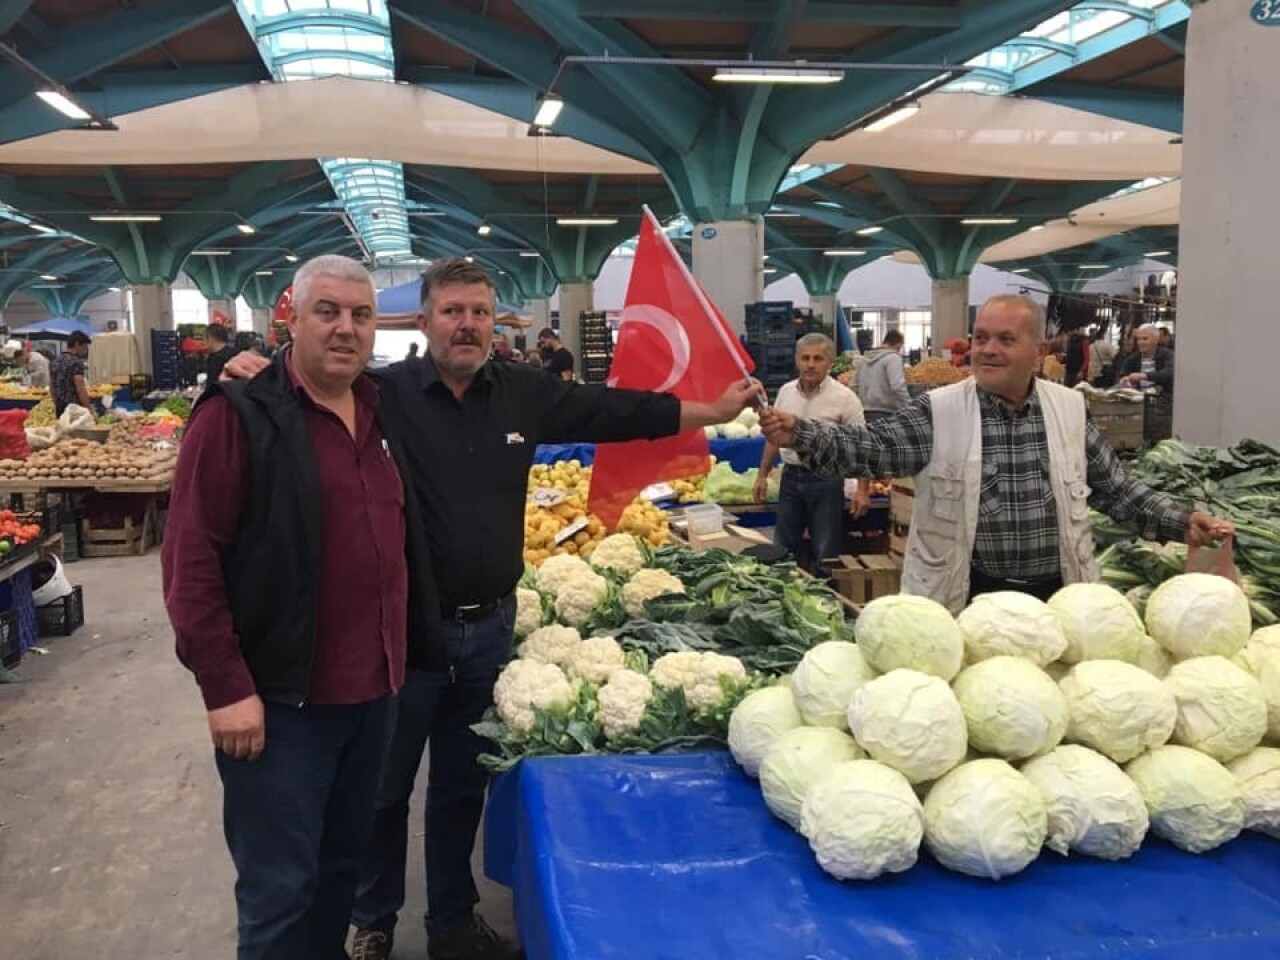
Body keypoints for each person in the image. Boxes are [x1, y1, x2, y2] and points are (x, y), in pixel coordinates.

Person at [224, 257, 758, 960]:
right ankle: (372, 919)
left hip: (491, 630)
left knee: (460, 786)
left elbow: (618, 410)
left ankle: (450, 921)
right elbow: (299, 389)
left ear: (494, 321)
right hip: (407, 636)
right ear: (425, 320)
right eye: (452, 311)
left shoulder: (522, 394)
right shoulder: (383, 394)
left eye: (479, 311)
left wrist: (714, 411)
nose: (467, 324)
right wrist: (235, 375)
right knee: (382, 793)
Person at [163, 256, 439, 960]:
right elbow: (190, 561)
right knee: (280, 892)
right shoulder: (238, 416)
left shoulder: (382, 411)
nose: (345, 328)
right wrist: (224, 687)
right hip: (281, 706)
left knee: (341, 874)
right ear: (291, 318)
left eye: (361, 315)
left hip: (373, 695)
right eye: (328, 311)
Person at [759, 295, 1233, 614]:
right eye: (982, 337)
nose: (988, 349)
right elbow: (869, 449)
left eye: (1006, 340)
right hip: (966, 597)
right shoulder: (938, 410)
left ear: (1038, 349)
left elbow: (1115, 488)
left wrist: (1178, 521)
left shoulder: (1069, 408)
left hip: (1057, 600)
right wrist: (801, 432)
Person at [754, 334, 868, 577]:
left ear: (830, 362)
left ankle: (826, 604)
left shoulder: (845, 398)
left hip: (826, 481)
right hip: (791, 479)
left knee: (825, 552)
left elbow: (861, 445)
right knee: (782, 548)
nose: (811, 364)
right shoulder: (786, 392)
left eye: (818, 358)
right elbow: (774, 437)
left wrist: (862, 489)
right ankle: (781, 599)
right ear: (796, 360)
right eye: (805, 358)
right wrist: (762, 475)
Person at [856, 329, 909, 422]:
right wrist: (909, 405)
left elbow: (854, 385)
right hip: (886, 413)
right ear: (898, 345)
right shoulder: (893, 358)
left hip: (863, 412)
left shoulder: (864, 359)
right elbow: (897, 386)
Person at [1121, 323, 1175, 393]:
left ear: (1156, 340)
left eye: (1145, 339)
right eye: (1138, 339)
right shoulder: (1131, 359)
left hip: (1163, 399)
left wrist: (1144, 376)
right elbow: (1125, 379)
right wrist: (1126, 382)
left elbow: (1169, 372)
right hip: (1138, 400)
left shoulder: (1168, 354)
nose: (1140, 342)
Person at [50, 331, 92, 415]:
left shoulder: (55, 361)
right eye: (84, 347)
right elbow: (80, 388)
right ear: (77, 344)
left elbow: (52, 386)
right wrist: (89, 409)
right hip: (75, 408)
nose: (85, 350)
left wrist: (56, 403)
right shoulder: (76, 362)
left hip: (59, 407)